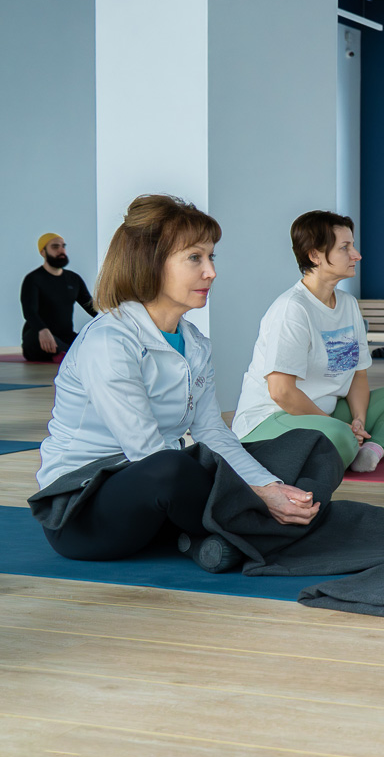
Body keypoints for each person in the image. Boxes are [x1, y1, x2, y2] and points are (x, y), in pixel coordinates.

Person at [33, 195, 318, 566]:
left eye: (211, 257)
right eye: (195, 257)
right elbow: (145, 451)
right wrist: (257, 495)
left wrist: (269, 485)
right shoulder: (109, 341)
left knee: (310, 445)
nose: (211, 272)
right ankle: (258, 529)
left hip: (155, 497)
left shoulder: (195, 343)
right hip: (84, 511)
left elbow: (212, 431)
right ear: (150, 263)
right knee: (171, 467)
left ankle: (220, 536)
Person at [233, 211, 384, 473]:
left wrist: (358, 421)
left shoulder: (348, 304)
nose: (356, 255)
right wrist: (336, 426)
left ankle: (371, 449)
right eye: (345, 247)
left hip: (327, 413)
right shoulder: (292, 309)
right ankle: (344, 444)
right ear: (314, 255)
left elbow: (358, 374)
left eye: (352, 246)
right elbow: (281, 392)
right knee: (339, 436)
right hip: (272, 418)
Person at [20, 232, 95, 363]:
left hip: (65, 336)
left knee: (90, 342)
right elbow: (29, 311)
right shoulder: (33, 279)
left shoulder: (73, 279)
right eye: (55, 247)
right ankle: (67, 353)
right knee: (36, 340)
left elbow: (91, 306)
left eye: (63, 246)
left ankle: (65, 353)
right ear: (43, 252)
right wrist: (43, 330)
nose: (61, 250)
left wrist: (111, 318)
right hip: (39, 335)